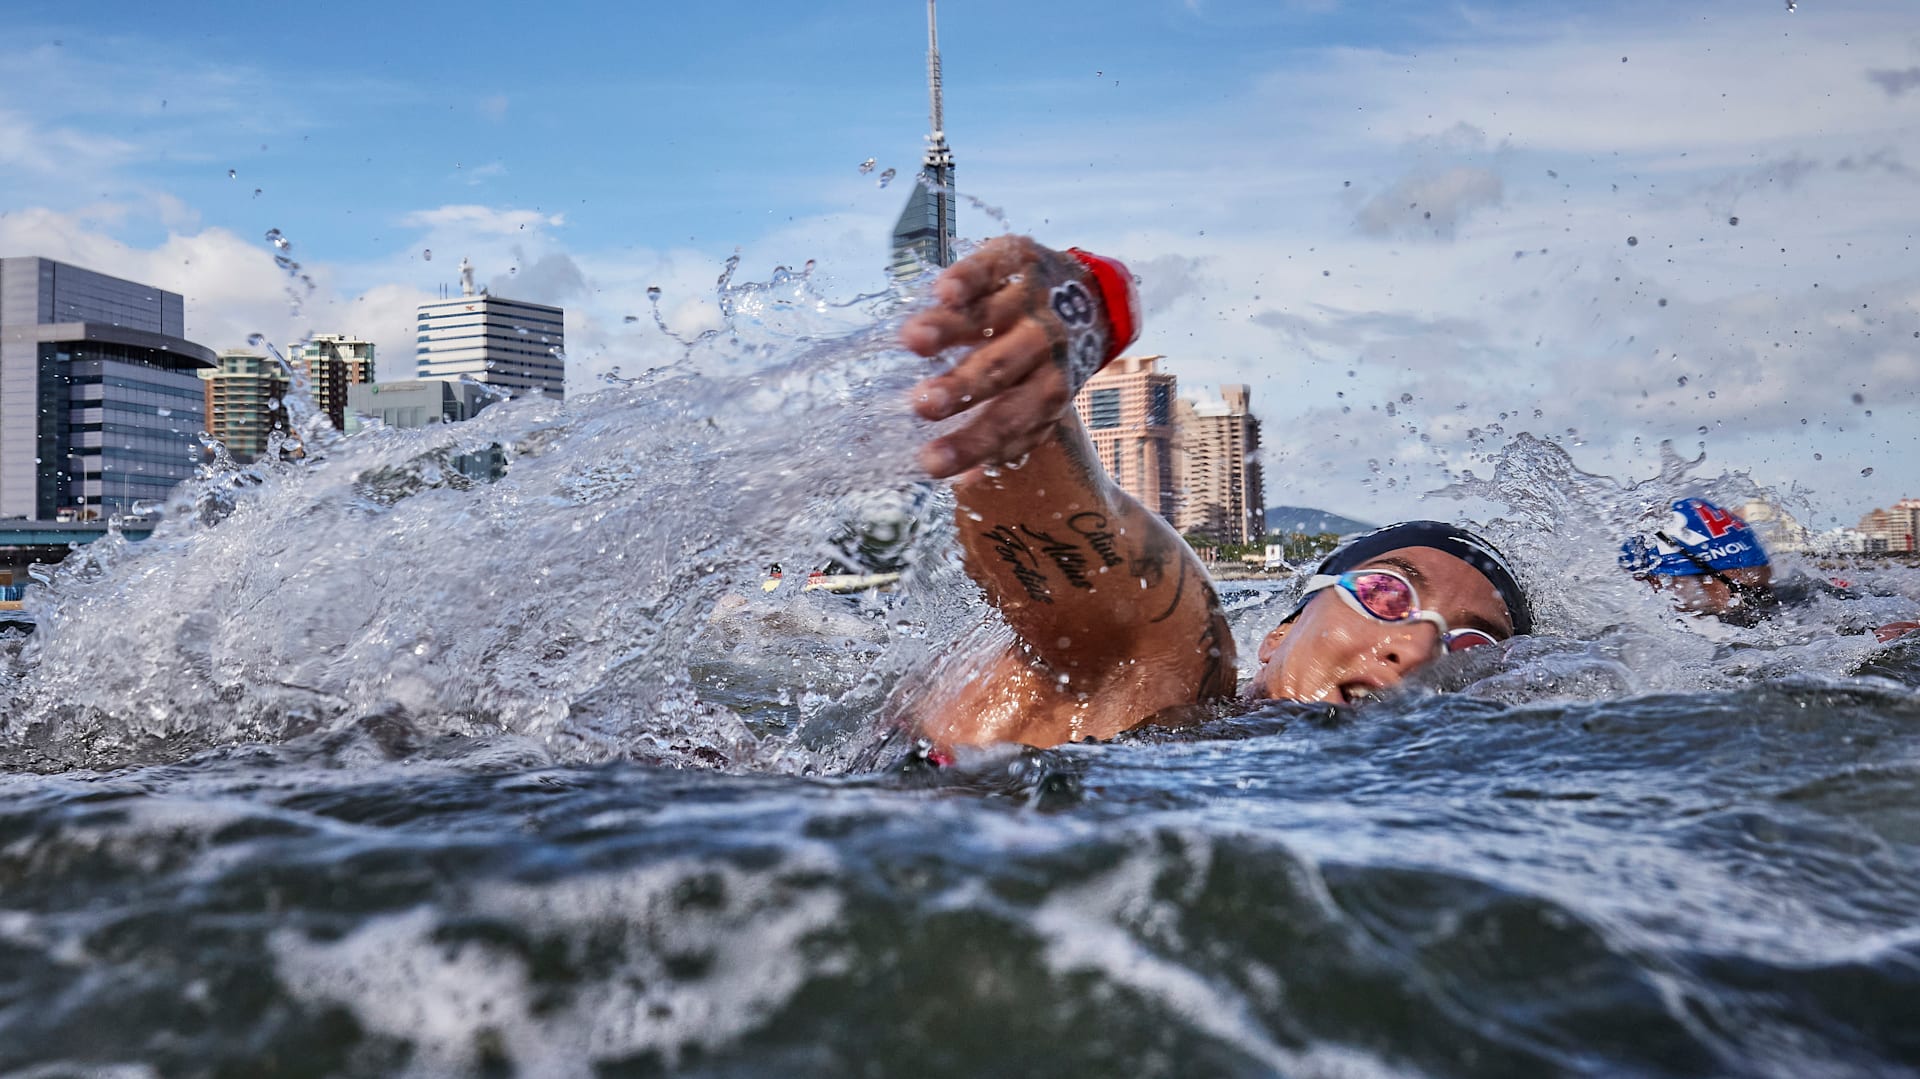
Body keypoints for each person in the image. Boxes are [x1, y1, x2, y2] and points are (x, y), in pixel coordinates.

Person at [893, 237, 1532, 749]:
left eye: (1470, 645)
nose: (1418, 647)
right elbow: (1092, 554)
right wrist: (1073, 321)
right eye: (1387, 595)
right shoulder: (1175, 672)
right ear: (1279, 634)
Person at [1620, 497, 1919, 641]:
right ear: (1657, 583)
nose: (1759, 602)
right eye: (1746, 592)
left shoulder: (1796, 597)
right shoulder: (1643, 647)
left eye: (1763, 592)